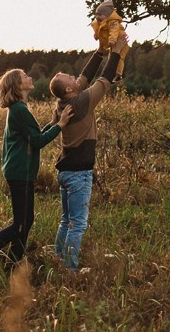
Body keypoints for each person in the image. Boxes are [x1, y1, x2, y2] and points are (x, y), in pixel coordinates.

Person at [0, 68, 73, 269]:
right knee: (21, 223)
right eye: (25, 76)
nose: (30, 77)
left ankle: (12, 264)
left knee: (25, 222)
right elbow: (37, 142)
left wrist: (52, 123)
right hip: (20, 173)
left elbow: (32, 136)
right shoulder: (19, 109)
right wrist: (60, 125)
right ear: (18, 85)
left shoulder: (20, 108)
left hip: (19, 172)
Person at [48, 31, 129, 272]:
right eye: (69, 78)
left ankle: (58, 260)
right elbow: (104, 80)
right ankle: (70, 271)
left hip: (65, 172)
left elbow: (85, 76)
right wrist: (116, 53)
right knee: (78, 225)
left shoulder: (64, 103)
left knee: (66, 221)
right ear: (70, 90)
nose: (75, 77)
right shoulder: (81, 102)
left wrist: (101, 51)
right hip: (79, 173)